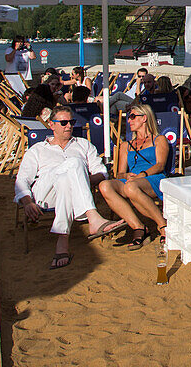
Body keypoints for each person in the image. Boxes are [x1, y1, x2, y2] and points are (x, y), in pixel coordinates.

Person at [14, 107, 125, 269]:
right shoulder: (37, 149)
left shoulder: (83, 145)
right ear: (51, 125)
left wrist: (77, 178)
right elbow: (22, 180)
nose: (69, 126)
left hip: (68, 194)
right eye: (64, 123)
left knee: (66, 179)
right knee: (74, 163)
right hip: (44, 195)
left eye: (71, 122)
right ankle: (93, 216)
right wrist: (27, 202)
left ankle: (62, 242)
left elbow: (101, 173)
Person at [98, 103, 169, 249]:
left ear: (144, 118)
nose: (129, 121)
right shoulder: (126, 145)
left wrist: (141, 175)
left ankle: (162, 225)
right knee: (104, 186)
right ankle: (138, 226)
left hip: (153, 178)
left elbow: (160, 165)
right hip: (133, 181)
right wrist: (128, 175)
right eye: (128, 118)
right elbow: (120, 173)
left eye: (132, 117)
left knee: (130, 187)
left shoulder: (159, 139)